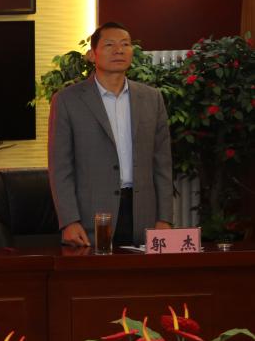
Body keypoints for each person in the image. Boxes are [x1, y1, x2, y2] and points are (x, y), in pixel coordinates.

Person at [47, 22, 173, 248]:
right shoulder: (67, 100)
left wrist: (164, 218)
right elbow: (60, 168)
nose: (119, 50)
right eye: (109, 45)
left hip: (143, 214)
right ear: (92, 55)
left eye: (125, 44)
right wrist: (69, 221)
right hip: (91, 218)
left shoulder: (152, 98)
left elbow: (162, 164)